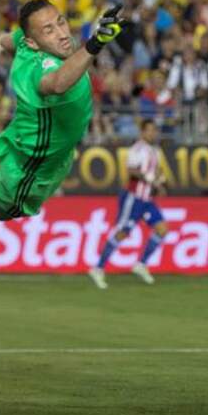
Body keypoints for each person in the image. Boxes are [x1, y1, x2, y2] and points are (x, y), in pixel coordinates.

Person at [0, 0, 127, 227]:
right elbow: (57, 84)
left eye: (60, 23)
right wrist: (96, 43)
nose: (62, 34)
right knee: (8, 206)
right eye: (49, 30)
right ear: (33, 42)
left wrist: (21, 41)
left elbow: (6, 41)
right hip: (35, 158)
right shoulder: (41, 70)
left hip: (21, 133)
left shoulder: (26, 44)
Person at [88, 119, 167, 289]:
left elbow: (156, 171)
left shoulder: (155, 150)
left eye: (154, 130)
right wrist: (148, 179)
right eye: (149, 130)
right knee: (122, 232)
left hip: (147, 199)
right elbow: (131, 170)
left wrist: (159, 184)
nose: (152, 133)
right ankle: (98, 268)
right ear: (142, 132)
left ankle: (141, 264)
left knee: (162, 229)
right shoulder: (137, 149)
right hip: (134, 198)